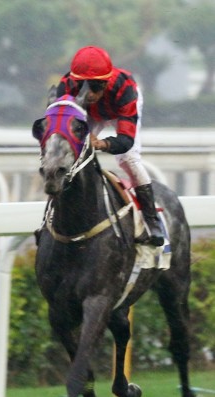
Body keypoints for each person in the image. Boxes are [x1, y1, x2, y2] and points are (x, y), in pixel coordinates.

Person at [56, 45, 164, 246]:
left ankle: (152, 219)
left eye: (96, 87)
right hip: (89, 114)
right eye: (82, 86)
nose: (88, 94)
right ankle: (54, 215)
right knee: (68, 153)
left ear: (106, 82)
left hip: (117, 111)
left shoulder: (126, 90)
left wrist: (103, 144)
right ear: (73, 82)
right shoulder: (65, 87)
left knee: (128, 159)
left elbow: (126, 140)